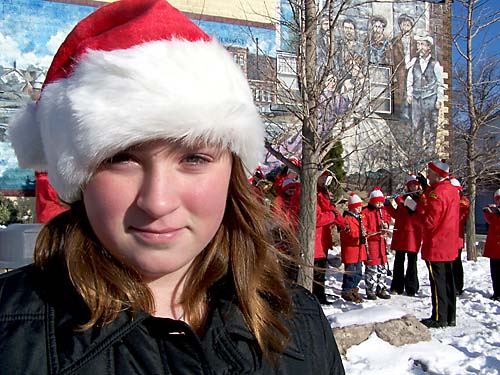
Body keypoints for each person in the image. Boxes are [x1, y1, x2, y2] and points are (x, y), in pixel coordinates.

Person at [1, 1, 345, 374]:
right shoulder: (11, 338)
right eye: (121, 158)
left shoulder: (300, 325)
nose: (158, 201)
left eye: (194, 158)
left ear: (233, 172)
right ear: (78, 176)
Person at [418, 160, 460, 328]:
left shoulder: (437, 194)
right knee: (449, 282)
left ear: (437, 174)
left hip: (436, 244)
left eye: (429, 173)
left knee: (438, 283)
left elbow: (430, 221)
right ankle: (450, 316)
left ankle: (438, 316)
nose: (427, 175)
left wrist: (418, 208)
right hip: (448, 243)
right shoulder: (450, 190)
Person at [385, 174, 423, 297]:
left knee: (412, 262)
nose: (413, 187)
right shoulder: (404, 198)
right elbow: (398, 215)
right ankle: (397, 286)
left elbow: (412, 209)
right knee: (398, 261)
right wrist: (388, 206)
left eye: (415, 185)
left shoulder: (420, 199)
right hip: (401, 233)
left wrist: (399, 201)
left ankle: (412, 287)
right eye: (410, 185)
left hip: (413, 235)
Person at [406, 34, 444, 155]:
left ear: (428, 47)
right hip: (417, 98)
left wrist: (439, 99)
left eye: (422, 44)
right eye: (418, 44)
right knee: (416, 125)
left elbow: (440, 83)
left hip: (430, 98)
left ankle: (430, 150)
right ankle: (416, 151)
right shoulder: (414, 62)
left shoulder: (435, 64)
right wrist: (409, 94)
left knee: (430, 124)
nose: (420, 47)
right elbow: (410, 79)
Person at [314, 170, 346, 304]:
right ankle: (316, 297)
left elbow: (332, 210)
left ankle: (320, 296)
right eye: (323, 178)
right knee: (316, 272)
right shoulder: (313, 195)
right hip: (316, 241)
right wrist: (332, 217)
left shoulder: (324, 195)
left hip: (323, 240)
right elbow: (317, 218)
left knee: (321, 271)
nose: (325, 181)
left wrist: (341, 223)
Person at [362, 187, 392, 300]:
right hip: (372, 244)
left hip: (382, 244)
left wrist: (386, 226)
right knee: (372, 269)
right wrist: (374, 233)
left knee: (382, 269)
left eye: (381, 202)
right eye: (377, 202)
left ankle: (382, 288)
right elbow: (364, 228)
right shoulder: (366, 212)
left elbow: (388, 219)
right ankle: (371, 290)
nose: (379, 204)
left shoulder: (383, 211)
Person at [340, 192, 367, 303]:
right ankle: (347, 290)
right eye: (357, 207)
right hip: (351, 250)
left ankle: (353, 289)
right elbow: (347, 235)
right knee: (351, 272)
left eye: (360, 207)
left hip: (359, 250)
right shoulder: (347, 219)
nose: (360, 209)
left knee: (359, 272)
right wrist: (358, 236)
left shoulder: (360, 218)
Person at [450, 176, 470, 295]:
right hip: (448, 238)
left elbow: (461, 216)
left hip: (457, 238)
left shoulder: (463, 201)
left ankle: (458, 286)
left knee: (457, 263)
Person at [482, 189, 500, 301]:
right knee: (495, 272)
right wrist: (487, 212)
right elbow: (491, 221)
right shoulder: (496, 212)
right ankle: (496, 292)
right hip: (494, 247)